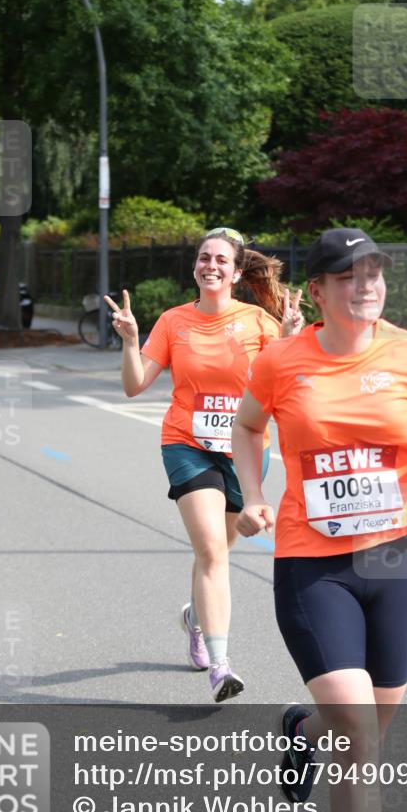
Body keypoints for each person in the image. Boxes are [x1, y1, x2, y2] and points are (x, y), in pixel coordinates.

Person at [232, 227, 407, 812]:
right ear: (317, 290)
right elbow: (248, 426)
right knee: (359, 738)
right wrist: (251, 494)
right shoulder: (283, 360)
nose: (367, 286)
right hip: (313, 562)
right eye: (349, 276)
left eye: (373, 274)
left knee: (363, 732)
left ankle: (304, 731)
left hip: (394, 558)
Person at [104, 228, 303, 702]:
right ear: (195, 267)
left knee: (217, 553)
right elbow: (135, 386)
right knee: (213, 550)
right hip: (187, 443)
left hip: (245, 450)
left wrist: (291, 341)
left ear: (236, 273)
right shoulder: (173, 322)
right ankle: (221, 665)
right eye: (203, 258)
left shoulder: (259, 322)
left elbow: (284, 385)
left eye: (220, 260)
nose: (209, 265)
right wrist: (131, 341)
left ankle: (196, 618)